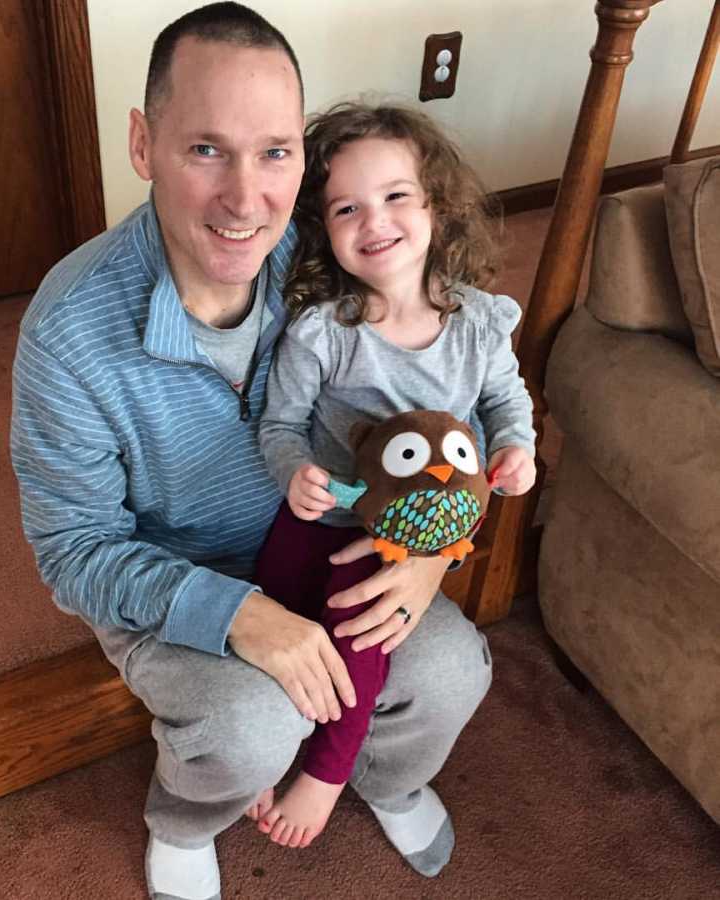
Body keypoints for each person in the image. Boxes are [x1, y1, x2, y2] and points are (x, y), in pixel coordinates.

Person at [10, 5, 493, 898]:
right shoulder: (67, 331)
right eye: (205, 150)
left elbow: (448, 403)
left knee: (453, 666)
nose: (245, 199)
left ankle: (385, 775)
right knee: (248, 725)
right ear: (142, 144)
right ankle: (185, 818)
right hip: (172, 572)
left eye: (274, 152)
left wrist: (435, 552)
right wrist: (238, 614)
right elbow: (72, 553)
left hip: (332, 544)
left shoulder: (337, 257)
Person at [254, 101, 536, 849]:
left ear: (438, 207)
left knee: (360, 644)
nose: (373, 220)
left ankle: (331, 774)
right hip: (320, 518)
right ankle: (261, 750)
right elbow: (280, 425)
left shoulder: (478, 323)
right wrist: (296, 474)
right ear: (323, 227)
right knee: (272, 623)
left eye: (395, 197)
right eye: (346, 207)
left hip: (397, 542)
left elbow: (507, 400)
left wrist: (518, 447)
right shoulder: (325, 332)